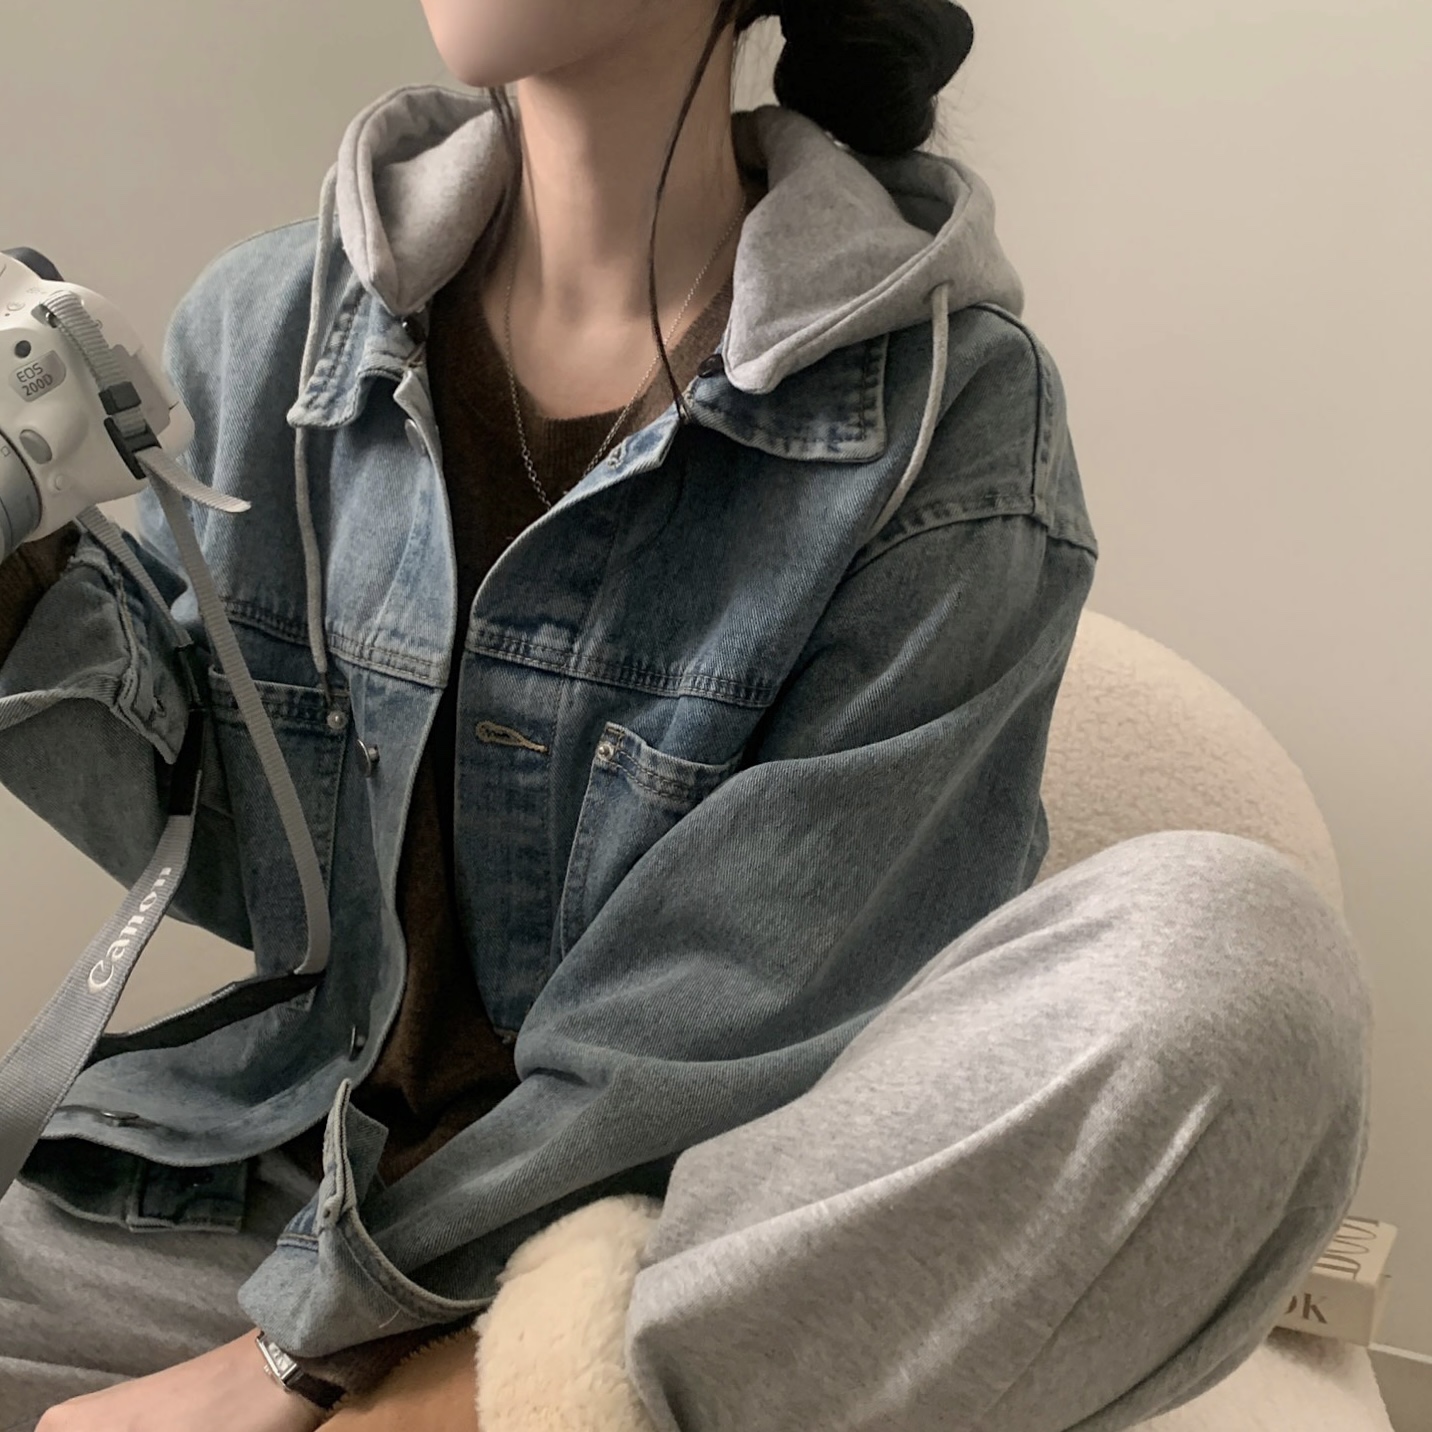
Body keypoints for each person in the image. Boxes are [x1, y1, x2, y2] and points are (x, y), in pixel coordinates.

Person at [0, 0, 1373, 1429]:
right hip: (289, 1190)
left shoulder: (945, 416)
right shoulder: (271, 324)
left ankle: (450, 1407)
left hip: (693, 1237)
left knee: (1236, 963)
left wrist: (288, 1361)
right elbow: (247, 850)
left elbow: (730, 1014)